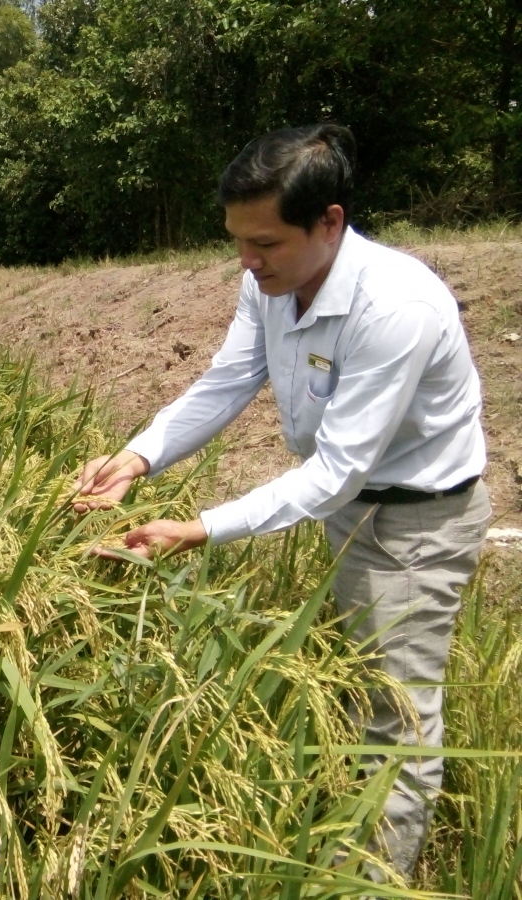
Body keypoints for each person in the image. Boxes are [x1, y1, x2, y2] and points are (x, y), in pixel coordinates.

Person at [72, 124, 492, 881]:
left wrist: (199, 529)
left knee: (397, 724)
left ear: (329, 221)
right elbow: (228, 382)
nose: (246, 260)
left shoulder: (395, 306)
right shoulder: (265, 283)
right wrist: (137, 455)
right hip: (353, 509)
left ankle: (365, 886)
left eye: (264, 242)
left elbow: (335, 471)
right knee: (364, 687)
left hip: (415, 526)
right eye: (237, 240)